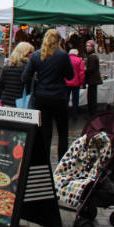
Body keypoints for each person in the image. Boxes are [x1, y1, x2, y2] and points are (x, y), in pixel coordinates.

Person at [22, 29, 74, 161]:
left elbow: (25, 77)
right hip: (59, 96)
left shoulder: (36, 55)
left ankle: (44, 160)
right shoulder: (62, 55)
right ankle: (62, 160)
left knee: (45, 132)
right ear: (58, 41)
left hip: (42, 96)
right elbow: (70, 76)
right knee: (62, 132)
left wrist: (36, 82)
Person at [0, 41, 33, 107]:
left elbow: (0, 84)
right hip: (21, 103)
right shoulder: (28, 67)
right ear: (24, 53)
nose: (32, 54)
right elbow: (30, 87)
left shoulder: (8, 66)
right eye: (30, 52)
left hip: (6, 102)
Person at [65, 48, 86, 122]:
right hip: (76, 84)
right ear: (76, 53)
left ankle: (65, 115)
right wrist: (81, 82)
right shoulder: (79, 60)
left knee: (65, 100)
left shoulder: (65, 59)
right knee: (75, 100)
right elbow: (82, 73)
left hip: (66, 83)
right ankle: (75, 116)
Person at [84, 40, 102, 114]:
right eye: (87, 46)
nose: (87, 48)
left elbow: (91, 69)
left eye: (89, 46)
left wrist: (85, 69)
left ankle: (92, 113)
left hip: (93, 80)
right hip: (92, 80)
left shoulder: (92, 57)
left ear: (93, 47)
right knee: (91, 96)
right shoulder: (91, 56)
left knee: (92, 97)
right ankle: (92, 111)